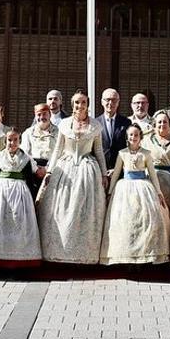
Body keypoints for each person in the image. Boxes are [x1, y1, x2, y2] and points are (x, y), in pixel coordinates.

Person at [38, 90, 107, 264]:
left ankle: (84, 255)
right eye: (77, 102)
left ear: (88, 104)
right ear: (72, 104)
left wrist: (104, 174)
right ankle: (59, 253)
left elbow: (98, 151)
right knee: (61, 209)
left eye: (83, 102)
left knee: (85, 211)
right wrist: (50, 171)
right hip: (65, 168)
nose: (80, 106)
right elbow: (58, 149)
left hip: (87, 170)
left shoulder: (95, 126)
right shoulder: (64, 124)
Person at [101, 125, 170, 265]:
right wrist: (109, 193)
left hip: (143, 188)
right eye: (131, 135)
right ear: (127, 138)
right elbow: (115, 174)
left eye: (136, 135)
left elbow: (152, 174)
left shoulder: (146, 153)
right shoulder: (122, 153)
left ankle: (143, 256)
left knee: (143, 221)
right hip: (125, 188)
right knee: (125, 222)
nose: (133, 138)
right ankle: (126, 256)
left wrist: (158, 192)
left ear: (140, 137)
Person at [0, 129, 42, 268]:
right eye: (9, 140)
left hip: (20, 195)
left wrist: (33, 199)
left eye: (15, 140)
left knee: (19, 225)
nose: (12, 143)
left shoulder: (25, 159)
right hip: (0, 195)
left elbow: (30, 181)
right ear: (5, 141)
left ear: (20, 142)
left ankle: (18, 261)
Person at [98, 87, 132, 173]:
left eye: (114, 100)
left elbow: (129, 148)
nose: (110, 103)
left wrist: (118, 169)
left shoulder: (126, 122)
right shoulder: (95, 123)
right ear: (102, 102)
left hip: (120, 171)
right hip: (100, 171)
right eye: (107, 100)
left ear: (118, 102)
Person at [20, 102, 57, 175]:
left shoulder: (58, 132)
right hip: (32, 168)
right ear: (35, 116)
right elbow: (25, 152)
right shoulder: (28, 133)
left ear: (50, 115)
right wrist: (36, 169)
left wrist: (47, 169)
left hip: (52, 168)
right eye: (39, 114)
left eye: (45, 114)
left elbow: (59, 153)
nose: (42, 117)